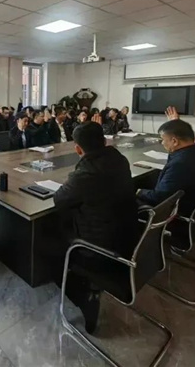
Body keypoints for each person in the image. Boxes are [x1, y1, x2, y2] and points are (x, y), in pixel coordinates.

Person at [51, 121, 140, 334]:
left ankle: (86, 297)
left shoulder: (86, 173)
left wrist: (71, 180)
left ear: (78, 149)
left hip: (101, 246)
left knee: (52, 247)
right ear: (104, 141)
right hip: (129, 235)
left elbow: (60, 199)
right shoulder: (119, 159)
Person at [136, 119, 195, 217]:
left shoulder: (179, 164)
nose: (162, 143)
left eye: (163, 139)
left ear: (174, 141)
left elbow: (159, 197)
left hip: (177, 209)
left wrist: (139, 191)